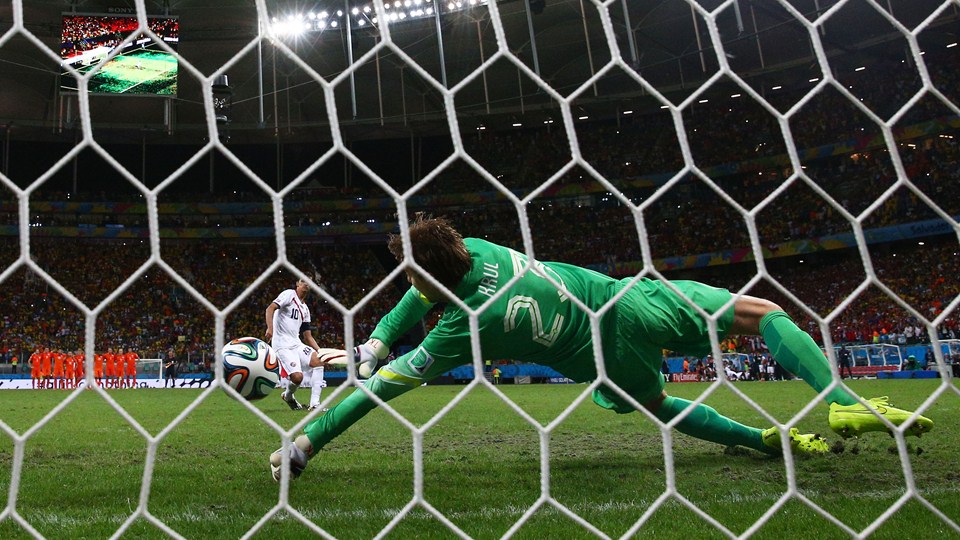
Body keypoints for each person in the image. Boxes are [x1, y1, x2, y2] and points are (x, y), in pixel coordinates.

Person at [271, 215, 934, 480]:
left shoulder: (459, 329)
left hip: (612, 357)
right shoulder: (484, 254)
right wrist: (381, 337)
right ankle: (841, 400)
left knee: (655, 403)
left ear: (430, 277)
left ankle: (759, 440)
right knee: (761, 314)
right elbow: (428, 285)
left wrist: (305, 443)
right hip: (630, 297)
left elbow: (382, 389)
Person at [265, 278, 324, 411]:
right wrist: (270, 328)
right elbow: (270, 308)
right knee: (297, 378)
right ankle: (288, 395)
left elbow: (307, 336)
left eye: (309, 283)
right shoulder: (289, 295)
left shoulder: (305, 309)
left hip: (296, 343)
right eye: (303, 281)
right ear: (297, 284)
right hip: (282, 345)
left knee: (319, 360)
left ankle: (315, 404)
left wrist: (321, 351)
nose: (306, 284)